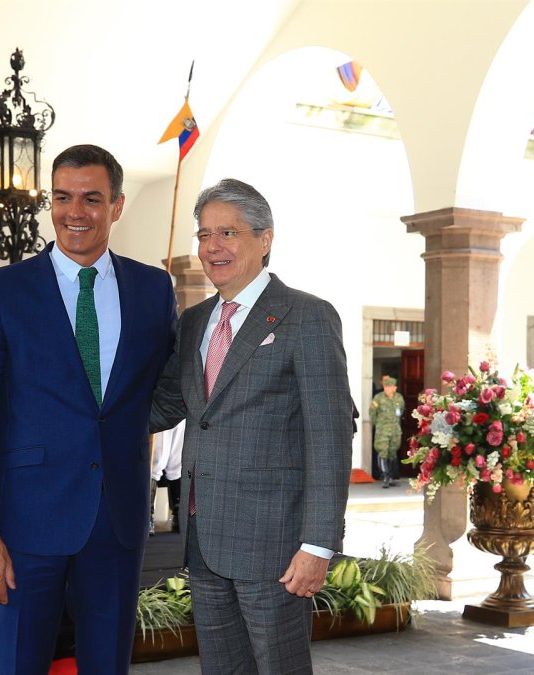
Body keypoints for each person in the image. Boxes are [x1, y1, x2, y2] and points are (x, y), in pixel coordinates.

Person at [0, 144, 177, 672]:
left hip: (117, 522)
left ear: (117, 206)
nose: (74, 212)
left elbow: (168, 387)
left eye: (92, 198)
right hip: (25, 524)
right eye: (62, 197)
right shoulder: (1, 291)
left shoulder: (152, 289)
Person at [151, 178, 353, 672]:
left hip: (277, 549)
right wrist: (79, 408)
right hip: (204, 541)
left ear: (265, 240)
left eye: (228, 233)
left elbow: (329, 440)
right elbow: (166, 406)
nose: (212, 247)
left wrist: (317, 546)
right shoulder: (195, 320)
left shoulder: (306, 317)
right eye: (203, 235)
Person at [370, 375, 405, 488]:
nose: (386, 388)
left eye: (389, 386)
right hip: (382, 431)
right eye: (385, 386)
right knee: (382, 452)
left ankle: (390, 477)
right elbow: (372, 413)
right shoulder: (378, 398)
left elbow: (401, 411)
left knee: (392, 452)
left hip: (395, 430)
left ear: (394, 388)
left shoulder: (399, 398)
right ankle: (385, 476)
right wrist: (379, 425)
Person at [150, 420, 184, 534]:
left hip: (182, 408)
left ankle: (178, 513)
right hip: (161, 409)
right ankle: (148, 514)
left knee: (177, 462)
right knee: (157, 460)